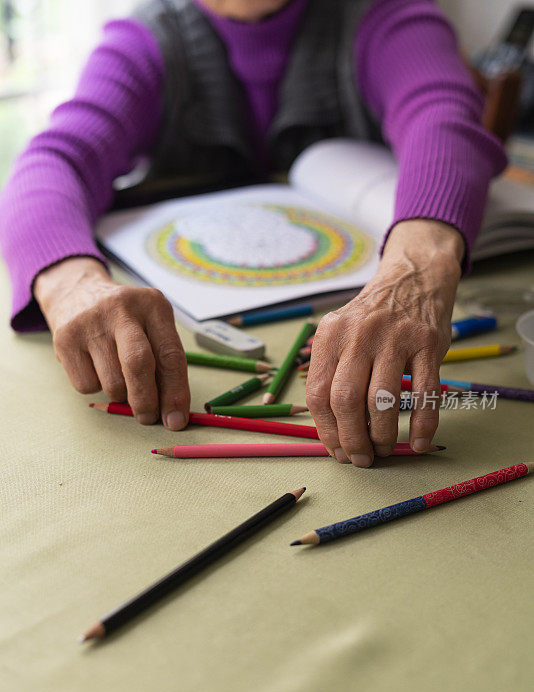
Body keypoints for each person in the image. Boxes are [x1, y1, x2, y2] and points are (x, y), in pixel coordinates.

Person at [0, 0, 506, 466]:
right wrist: (71, 283)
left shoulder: (386, 14)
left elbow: (442, 121)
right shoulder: (146, 42)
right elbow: (53, 161)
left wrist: (417, 269)